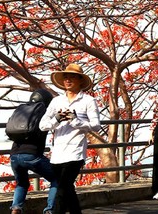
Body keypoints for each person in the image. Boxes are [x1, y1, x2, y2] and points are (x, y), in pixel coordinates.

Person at [40, 63, 101, 214]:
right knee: (66, 188)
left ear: (80, 80)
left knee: (62, 188)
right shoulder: (56, 101)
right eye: (65, 77)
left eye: (72, 77)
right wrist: (57, 119)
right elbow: (43, 125)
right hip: (58, 152)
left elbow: (96, 125)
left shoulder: (88, 101)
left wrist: (75, 120)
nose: (68, 80)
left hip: (76, 151)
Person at [9, 88, 57, 214]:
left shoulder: (23, 110)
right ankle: (49, 210)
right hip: (32, 155)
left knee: (22, 184)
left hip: (14, 155)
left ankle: (15, 209)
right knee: (57, 179)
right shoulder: (44, 113)